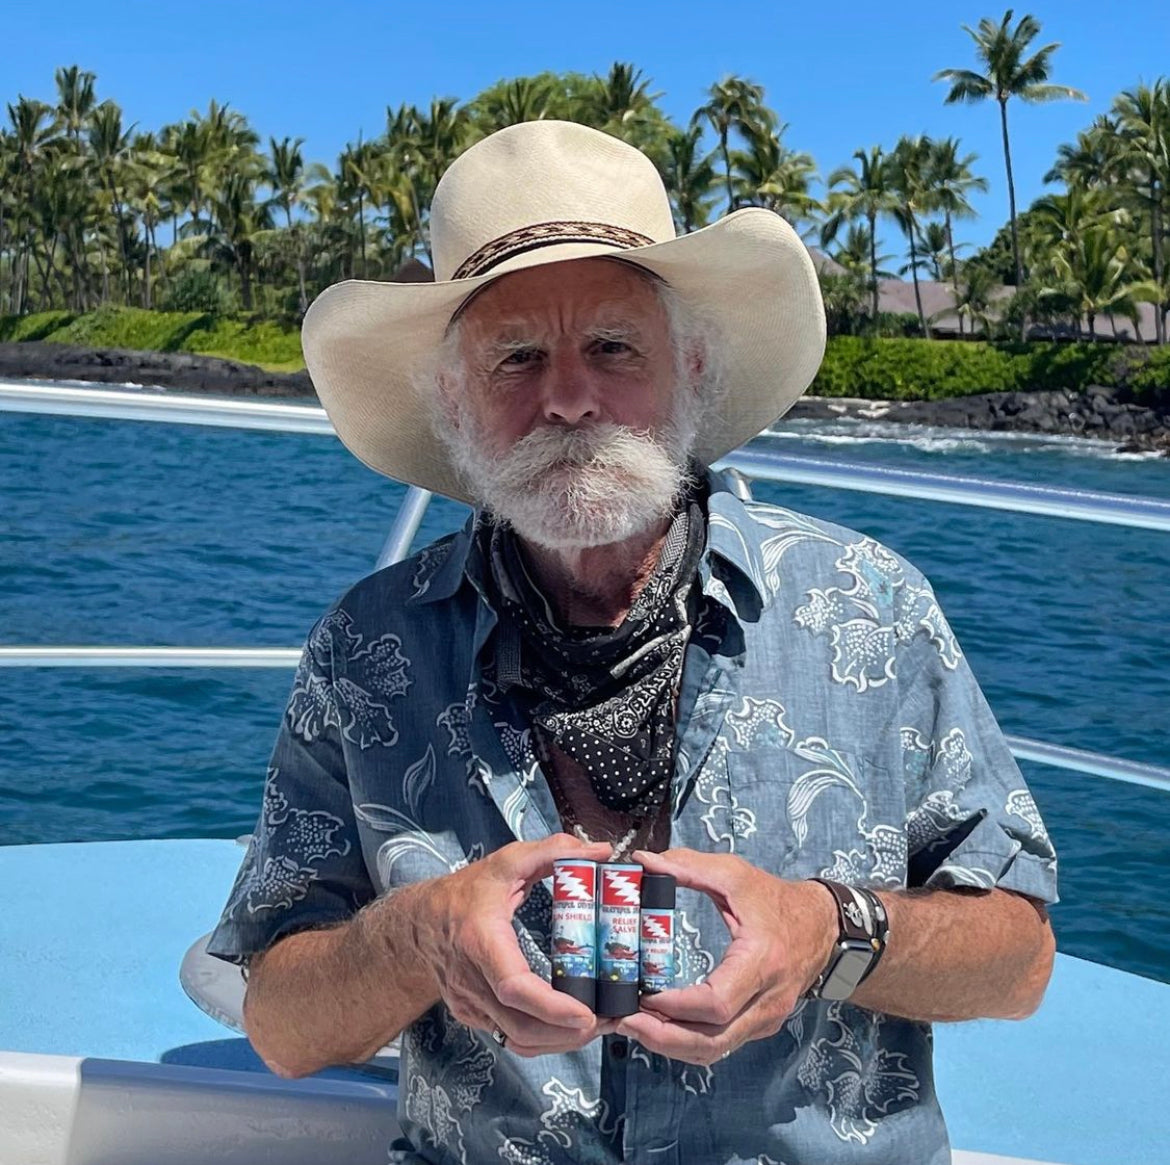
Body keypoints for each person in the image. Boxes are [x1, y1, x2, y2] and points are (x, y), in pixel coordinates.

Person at [207, 120, 1057, 1164]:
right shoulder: (368, 649)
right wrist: (417, 934)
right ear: (450, 399)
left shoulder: (869, 606)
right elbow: (283, 1026)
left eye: (613, 346)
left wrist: (828, 931)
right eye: (517, 356)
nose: (568, 396)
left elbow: (1018, 962)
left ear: (690, 369)